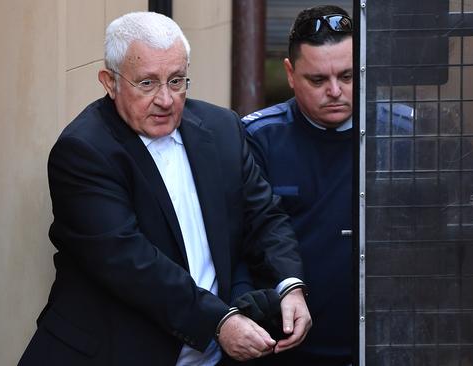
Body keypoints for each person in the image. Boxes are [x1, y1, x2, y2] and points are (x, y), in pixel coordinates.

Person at [18, 11, 311, 366]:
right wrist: (218, 321)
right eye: (147, 83)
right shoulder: (84, 151)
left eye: (176, 81)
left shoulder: (221, 129)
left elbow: (264, 217)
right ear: (110, 82)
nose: (166, 99)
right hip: (110, 353)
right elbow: (130, 262)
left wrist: (289, 285)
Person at [240, 5, 353, 366]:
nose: (335, 91)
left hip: (383, 340)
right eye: (317, 80)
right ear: (290, 74)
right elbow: (244, 239)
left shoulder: (398, 132)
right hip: (287, 345)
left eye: (348, 76)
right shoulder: (258, 139)